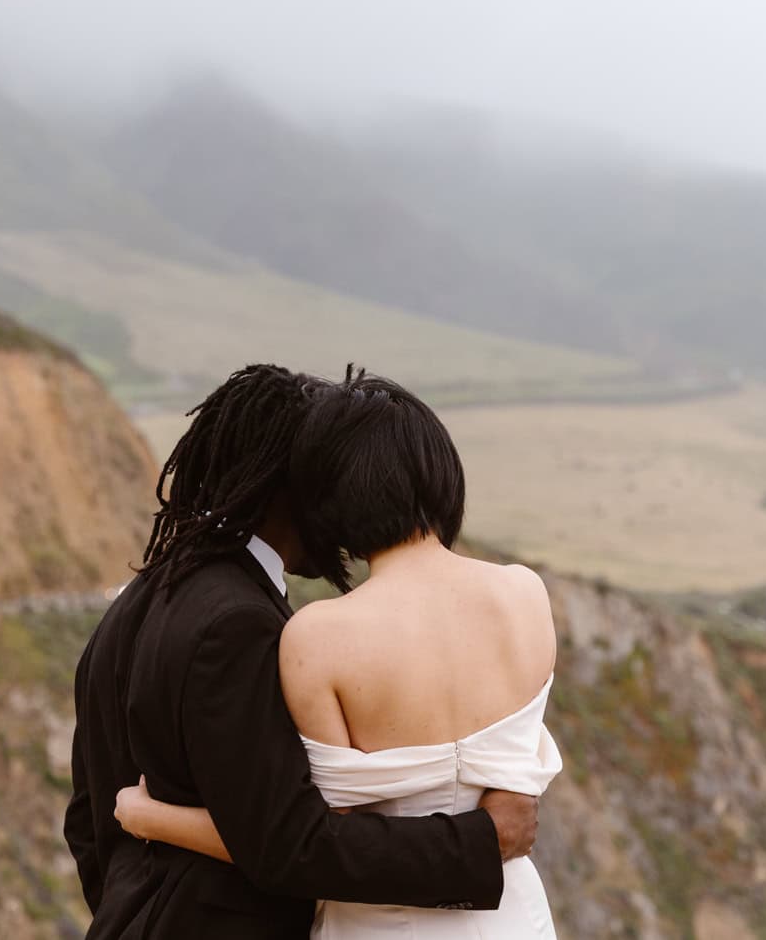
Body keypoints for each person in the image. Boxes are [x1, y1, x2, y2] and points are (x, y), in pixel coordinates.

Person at [64, 364, 541, 938]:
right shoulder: (239, 623)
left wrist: (135, 882)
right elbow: (291, 844)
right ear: (292, 488)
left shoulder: (144, 595)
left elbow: (87, 819)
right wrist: (483, 844)